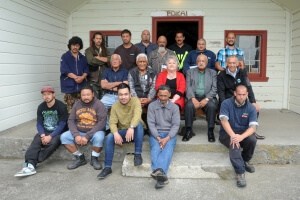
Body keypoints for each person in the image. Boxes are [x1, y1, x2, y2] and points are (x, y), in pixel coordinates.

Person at [14, 86, 68, 177]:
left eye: (48, 94)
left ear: (53, 95)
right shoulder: (41, 107)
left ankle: (32, 163)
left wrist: (50, 136)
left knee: (53, 142)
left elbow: (62, 124)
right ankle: (30, 165)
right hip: (45, 131)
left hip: (58, 132)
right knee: (36, 140)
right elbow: (39, 123)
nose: (46, 96)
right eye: (44, 95)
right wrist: (42, 135)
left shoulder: (61, 106)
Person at [97, 83, 144, 179]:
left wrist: (131, 127)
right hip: (124, 132)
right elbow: (112, 122)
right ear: (118, 95)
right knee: (109, 137)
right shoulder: (115, 106)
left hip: (135, 132)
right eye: (121, 95)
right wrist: (115, 133)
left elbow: (137, 115)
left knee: (138, 125)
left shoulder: (135, 101)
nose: (123, 97)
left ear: (130, 94)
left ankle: (138, 154)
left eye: (126, 94)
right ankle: (107, 167)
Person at [219, 84, 258, 188]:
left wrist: (241, 137)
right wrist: (233, 136)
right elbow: (224, 120)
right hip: (227, 133)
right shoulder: (226, 103)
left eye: (243, 94)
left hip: (242, 133)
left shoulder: (251, 108)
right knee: (234, 144)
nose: (241, 97)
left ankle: (245, 160)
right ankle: (240, 173)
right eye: (239, 94)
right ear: (235, 93)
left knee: (252, 140)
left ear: (247, 94)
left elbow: (253, 127)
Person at [217, 55, 264, 140]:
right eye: (230, 63)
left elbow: (248, 87)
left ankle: (251, 131)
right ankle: (229, 130)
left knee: (254, 108)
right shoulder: (221, 75)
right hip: (228, 99)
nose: (232, 65)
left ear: (237, 63)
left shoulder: (242, 73)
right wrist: (224, 104)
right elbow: (221, 92)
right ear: (227, 63)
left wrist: (253, 101)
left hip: (240, 97)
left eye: (234, 63)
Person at [60, 85, 107, 170]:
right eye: (83, 95)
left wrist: (87, 136)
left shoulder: (99, 105)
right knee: (64, 137)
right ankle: (80, 158)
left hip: (94, 132)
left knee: (100, 137)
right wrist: (76, 135)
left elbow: (102, 123)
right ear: (80, 95)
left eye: (88, 94)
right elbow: (71, 120)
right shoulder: (77, 104)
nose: (86, 97)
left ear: (93, 94)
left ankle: (94, 159)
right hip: (79, 131)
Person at [147, 85, 180, 189]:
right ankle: (161, 176)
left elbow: (176, 125)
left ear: (170, 94)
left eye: (165, 96)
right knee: (155, 150)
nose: (162, 98)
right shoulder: (152, 106)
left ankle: (159, 172)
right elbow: (151, 124)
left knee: (167, 150)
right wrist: (157, 137)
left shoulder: (174, 108)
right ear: (157, 94)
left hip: (169, 134)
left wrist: (167, 138)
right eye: (160, 95)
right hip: (155, 133)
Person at [183, 54, 218, 142]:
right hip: (194, 96)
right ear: (196, 62)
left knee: (212, 106)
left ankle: (210, 131)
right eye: (199, 61)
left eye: (203, 61)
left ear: (206, 63)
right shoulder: (190, 72)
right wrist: (192, 98)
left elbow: (214, 88)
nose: (201, 63)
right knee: (189, 106)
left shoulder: (212, 73)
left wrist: (206, 99)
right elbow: (188, 86)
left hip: (207, 97)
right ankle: (188, 130)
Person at [128, 53, 157, 133]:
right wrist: (137, 100)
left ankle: (150, 128)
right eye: (140, 62)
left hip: (149, 98)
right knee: (132, 105)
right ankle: (140, 128)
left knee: (153, 105)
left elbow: (154, 87)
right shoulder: (132, 72)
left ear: (147, 62)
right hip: (136, 97)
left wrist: (149, 99)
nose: (142, 63)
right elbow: (131, 87)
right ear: (137, 63)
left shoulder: (152, 72)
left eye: (144, 61)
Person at [60, 36, 89, 113]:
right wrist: (76, 78)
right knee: (70, 111)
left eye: (77, 45)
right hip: (69, 87)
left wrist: (82, 78)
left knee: (82, 109)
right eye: (73, 45)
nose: (75, 47)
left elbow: (86, 70)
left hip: (81, 87)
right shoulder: (65, 56)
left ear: (80, 46)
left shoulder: (83, 58)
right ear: (70, 45)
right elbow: (64, 70)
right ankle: (70, 125)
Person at [100, 54, 128, 130]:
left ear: (120, 62)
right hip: (108, 95)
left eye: (116, 59)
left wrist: (109, 85)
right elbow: (103, 85)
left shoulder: (125, 71)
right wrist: (119, 83)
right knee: (101, 105)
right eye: (113, 59)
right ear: (110, 62)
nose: (114, 61)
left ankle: (123, 128)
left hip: (121, 95)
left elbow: (125, 86)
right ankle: (106, 128)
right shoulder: (106, 71)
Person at [85, 32, 109, 99]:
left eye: (100, 38)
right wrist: (104, 60)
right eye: (97, 38)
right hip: (93, 79)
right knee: (94, 100)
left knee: (104, 101)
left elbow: (110, 59)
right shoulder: (89, 50)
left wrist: (98, 58)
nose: (99, 40)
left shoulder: (106, 50)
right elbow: (91, 61)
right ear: (93, 39)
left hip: (104, 79)